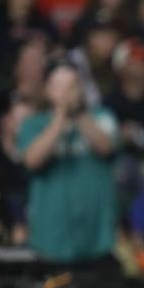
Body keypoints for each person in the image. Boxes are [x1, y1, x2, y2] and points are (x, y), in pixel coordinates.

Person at [17, 61, 118, 264]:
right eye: (59, 86)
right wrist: (60, 117)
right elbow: (32, 161)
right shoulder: (33, 124)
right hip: (51, 237)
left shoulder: (102, 117)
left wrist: (79, 114)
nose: (66, 92)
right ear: (47, 90)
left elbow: (106, 147)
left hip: (96, 235)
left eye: (72, 85)